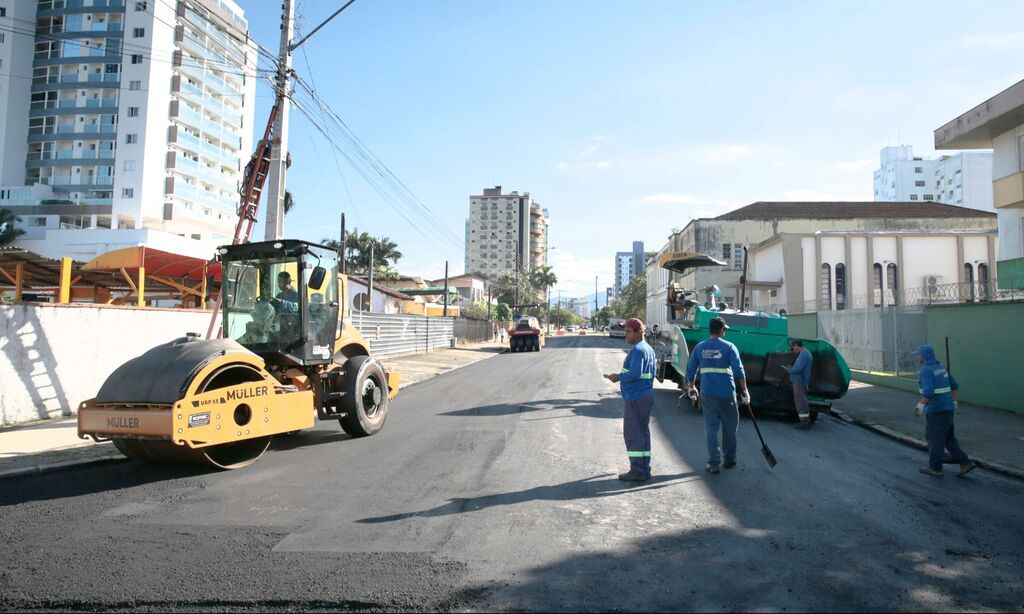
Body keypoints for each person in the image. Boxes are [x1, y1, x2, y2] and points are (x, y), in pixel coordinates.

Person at [684, 317, 750, 474]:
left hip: (707, 393)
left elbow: (690, 370)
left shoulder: (700, 347)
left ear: (710, 330)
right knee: (730, 427)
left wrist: (691, 387)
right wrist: (745, 391)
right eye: (724, 329)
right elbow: (739, 371)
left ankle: (714, 463)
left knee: (711, 428)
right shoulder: (729, 347)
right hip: (727, 393)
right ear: (721, 330)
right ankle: (730, 459)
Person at [604, 317, 657, 482]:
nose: (625, 334)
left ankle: (637, 470)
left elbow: (635, 374)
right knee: (642, 433)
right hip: (644, 395)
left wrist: (617, 377)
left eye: (628, 331)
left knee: (633, 434)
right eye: (625, 330)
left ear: (639, 332)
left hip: (636, 397)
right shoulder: (647, 349)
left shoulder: (638, 350)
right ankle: (644, 469)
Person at [914, 344, 976, 478]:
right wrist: (954, 403)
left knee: (934, 439)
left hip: (936, 410)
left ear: (923, 356)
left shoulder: (926, 370)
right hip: (948, 408)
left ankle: (935, 468)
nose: (916, 357)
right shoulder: (941, 367)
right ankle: (965, 462)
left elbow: (928, 392)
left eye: (918, 354)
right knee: (948, 438)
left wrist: (920, 406)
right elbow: (954, 385)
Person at [787, 339, 814, 429]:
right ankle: (804, 421)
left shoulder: (803, 355)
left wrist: (789, 369)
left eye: (793, 347)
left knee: (801, 401)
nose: (793, 349)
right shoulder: (806, 354)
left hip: (799, 382)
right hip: (801, 381)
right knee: (801, 400)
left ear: (796, 345)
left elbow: (798, 369)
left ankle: (805, 422)